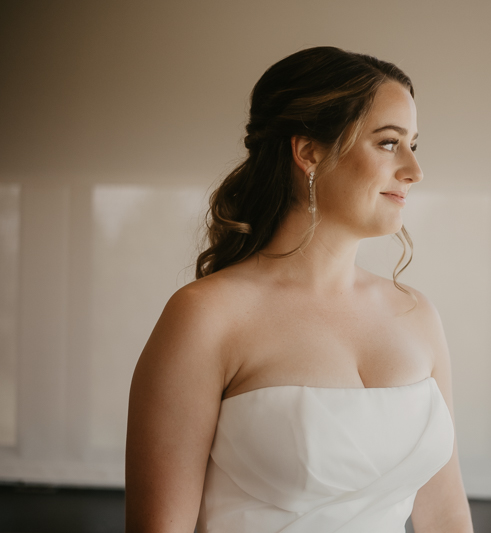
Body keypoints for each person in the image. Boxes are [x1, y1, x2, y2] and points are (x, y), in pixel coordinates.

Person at [125, 46, 473, 533]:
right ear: (308, 151)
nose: (415, 170)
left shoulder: (417, 315)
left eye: (415, 144)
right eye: (390, 143)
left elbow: (447, 514)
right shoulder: (207, 315)